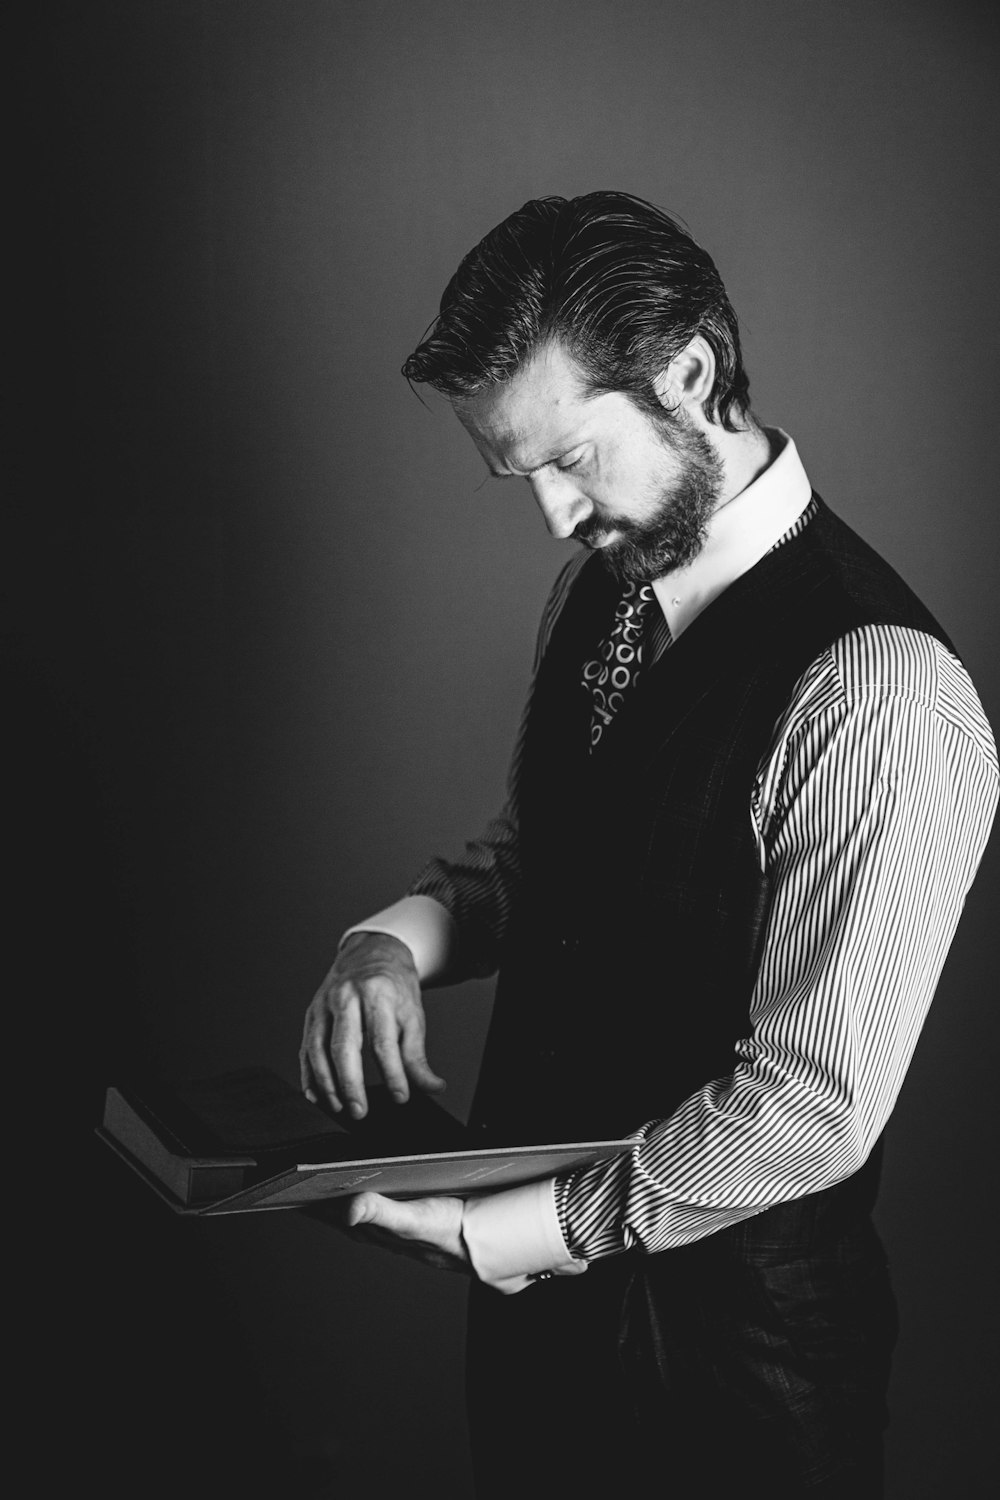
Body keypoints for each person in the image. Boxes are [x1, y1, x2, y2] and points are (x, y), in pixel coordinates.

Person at [299, 192, 997, 1497]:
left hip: (730, 1380)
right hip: (537, 1330)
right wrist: (387, 944)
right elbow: (558, 848)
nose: (554, 519)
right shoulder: (608, 580)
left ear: (688, 374)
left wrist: (501, 1232)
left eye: (570, 459)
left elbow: (811, 1107)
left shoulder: (879, 688)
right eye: (522, 478)